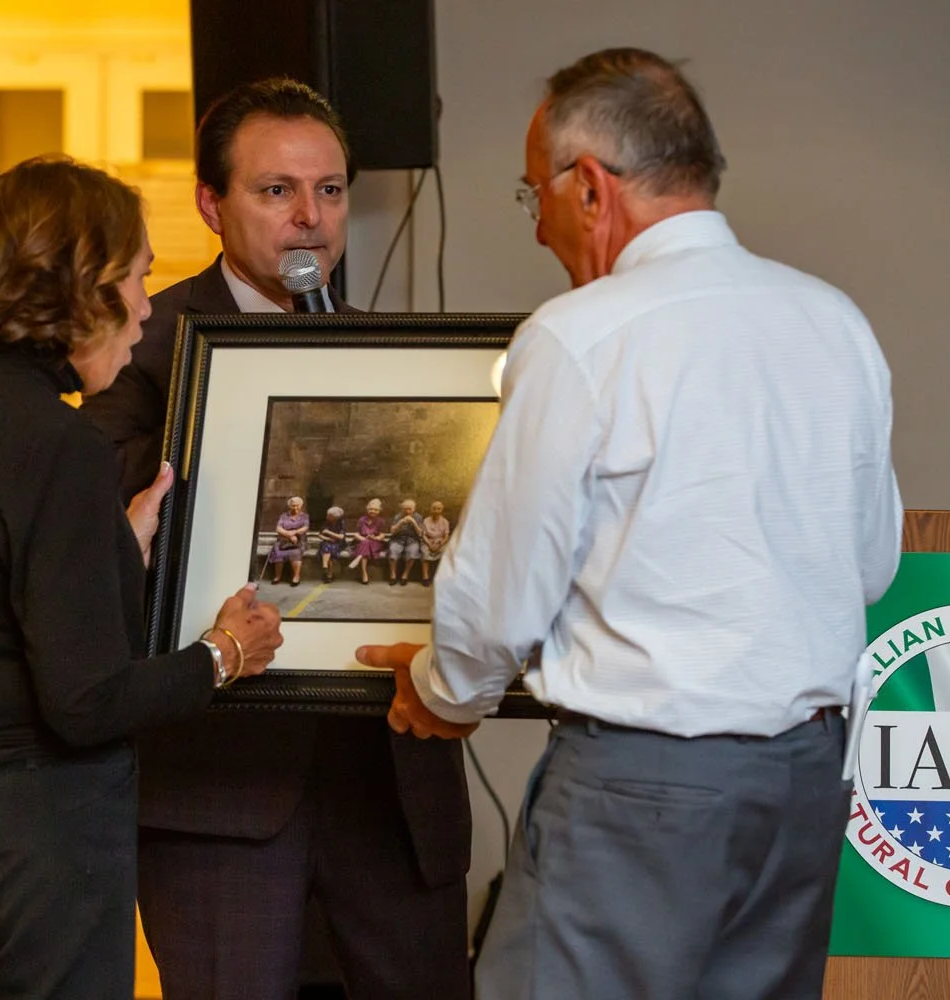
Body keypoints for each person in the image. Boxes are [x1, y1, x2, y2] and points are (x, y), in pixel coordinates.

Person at [360, 48, 902, 1000]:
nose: (539, 233)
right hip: (807, 784)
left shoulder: (583, 337)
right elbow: (868, 564)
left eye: (535, 198)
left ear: (591, 189)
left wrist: (443, 692)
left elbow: (499, 595)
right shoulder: (836, 323)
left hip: (641, 791)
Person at [81, 79, 472, 1000]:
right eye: (276, 191)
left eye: (330, 191)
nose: (310, 219)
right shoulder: (143, 343)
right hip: (223, 797)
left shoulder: (410, 362)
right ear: (212, 204)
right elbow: (100, 517)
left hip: (393, 790)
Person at [0, 157, 284, 1000]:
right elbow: (88, 703)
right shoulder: (55, 446)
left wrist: (104, 548)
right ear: (79, 288)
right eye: (136, 280)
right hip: (42, 824)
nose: (142, 311)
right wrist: (224, 654)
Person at [265, 496, 309, 586]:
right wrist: (288, 535)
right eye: (293, 506)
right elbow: (278, 528)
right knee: (277, 552)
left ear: (301, 505)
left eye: (297, 505)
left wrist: (294, 533)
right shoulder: (284, 516)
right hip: (284, 539)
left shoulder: (304, 516)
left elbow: (305, 528)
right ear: (290, 506)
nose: (295, 507)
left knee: (296, 552)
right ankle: (277, 576)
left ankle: (296, 577)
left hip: (299, 540)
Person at [345, 497, 388, 584]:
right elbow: (356, 534)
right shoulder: (362, 520)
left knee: (366, 544)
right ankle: (364, 573)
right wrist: (363, 538)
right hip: (362, 541)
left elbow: (383, 535)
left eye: (375, 510)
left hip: (375, 543)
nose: (373, 511)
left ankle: (359, 559)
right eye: (371, 509)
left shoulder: (381, 521)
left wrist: (375, 538)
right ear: (367, 509)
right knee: (365, 543)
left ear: (379, 511)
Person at [386, 498, 426, 586]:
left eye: (410, 509)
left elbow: (420, 533)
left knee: (413, 552)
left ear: (414, 509)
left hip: (412, 540)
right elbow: (392, 531)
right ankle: (393, 575)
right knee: (393, 550)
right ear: (402, 509)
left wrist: (414, 522)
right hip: (398, 539)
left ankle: (405, 575)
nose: (407, 511)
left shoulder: (418, 517)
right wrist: (400, 523)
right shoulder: (398, 516)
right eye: (405, 509)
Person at [420, 500, 451, 582]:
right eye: (434, 508)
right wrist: (429, 544)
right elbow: (423, 535)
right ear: (431, 509)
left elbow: (446, 536)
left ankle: (440, 577)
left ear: (441, 510)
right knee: (424, 552)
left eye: (438, 509)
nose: (436, 511)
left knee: (445, 553)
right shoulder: (426, 520)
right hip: (428, 541)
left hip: (440, 541)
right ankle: (425, 577)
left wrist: (440, 544)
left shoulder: (445, 522)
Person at [317, 505, 348, 582]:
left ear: (335, 517)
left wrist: (328, 532)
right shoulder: (326, 522)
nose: (327, 516)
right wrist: (328, 538)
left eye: (329, 515)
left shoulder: (341, 523)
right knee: (327, 546)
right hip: (327, 542)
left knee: (330, 548)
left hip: (339, 543)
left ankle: (326, 570)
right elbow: (320, 535)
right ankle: (327, 570)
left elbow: (341, 537)